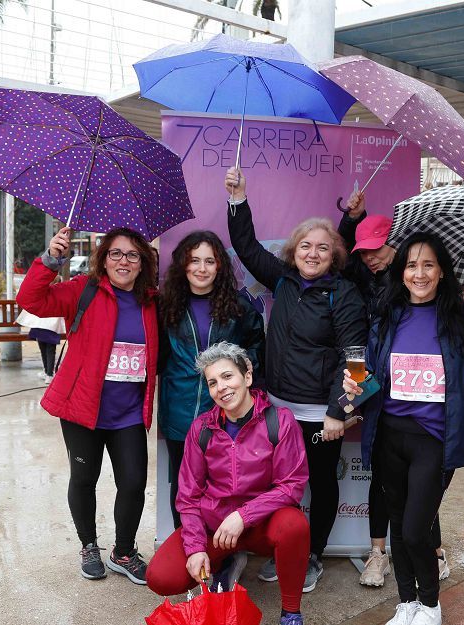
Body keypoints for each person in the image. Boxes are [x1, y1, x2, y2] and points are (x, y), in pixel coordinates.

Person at [343, 233, 464, 625]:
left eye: (428, 265)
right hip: (390, 436)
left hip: (435, 441)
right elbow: (372, 379)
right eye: (411, 265)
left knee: (418, 529)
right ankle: (406, 603)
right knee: (399, 526)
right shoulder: (387, 316)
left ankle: (430, 605)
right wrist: (354, 387)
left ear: (442, 272)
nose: (419, 274)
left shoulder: (460, 319)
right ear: (401, 272)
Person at [225, 167, 367, 592]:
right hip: (276, 408)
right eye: (305, 245)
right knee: (275, 485)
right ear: (293, 251)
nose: (312, 253)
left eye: (322, 248)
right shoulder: (283, 280)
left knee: (322, 483)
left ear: (333, 256)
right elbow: (246, 247)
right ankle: (280, 549)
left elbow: (356, 359)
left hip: (322, 414)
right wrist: (239, 198)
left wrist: (340, 411)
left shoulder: (344, 294)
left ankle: (312, 557)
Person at [145, 342, 313, 625]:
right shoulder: (202, 429)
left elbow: (292, 485)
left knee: (294, 525)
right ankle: (227, 559)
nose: (222, 387)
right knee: (161, 578)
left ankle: (291, 617)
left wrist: (244, 515)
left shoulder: (280, 421)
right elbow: (188, 496)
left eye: (227, 376)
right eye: (213, 382)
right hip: (216, 528)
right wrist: (195, 548)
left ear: (247, 376)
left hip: (261, 526)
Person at [17, 226, 158, 585]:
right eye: (116, 253)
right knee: (84, 478)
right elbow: (32, 300)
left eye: (132, 255)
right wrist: (51, 260)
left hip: (127, 411)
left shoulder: (152, 302)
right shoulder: (84, 290)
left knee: (133, 481)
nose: (123, 261)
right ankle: (88, 545)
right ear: (103, 258)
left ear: (142, 263)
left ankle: (123, 552)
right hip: (83, 408)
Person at [158, 231, 265, 529]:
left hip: (224, 411)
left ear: (220, 266)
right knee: (183, 486)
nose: (201, 268)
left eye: (209, 261)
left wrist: (239, 374)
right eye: (194, 261)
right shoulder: (166, 305)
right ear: (182, 264)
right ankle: (189, 548)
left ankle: (224, 552)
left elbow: (258, 348)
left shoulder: (238, 307)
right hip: (179, 410)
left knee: (224, 484)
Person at [335, 191, 397, 587]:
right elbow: (339, 258)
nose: (370, 257)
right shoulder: (361, 273)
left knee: (417, 479)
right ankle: (378, 552)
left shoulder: (411, 280)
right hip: (372, 387)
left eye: (376, 250)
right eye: (365, 251)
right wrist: (352, 219)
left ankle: (430, 549)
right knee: (381, 474)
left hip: (411, 396)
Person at [16, 308, 65, 384]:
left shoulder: (40, 296)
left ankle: (47, 373)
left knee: (43, 348)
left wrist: (20, 318)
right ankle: (49, 374)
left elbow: (31, 304)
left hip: (39, 322)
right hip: (52, 323)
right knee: (50, 350)